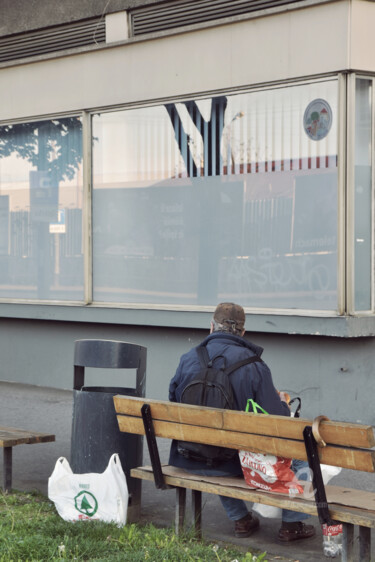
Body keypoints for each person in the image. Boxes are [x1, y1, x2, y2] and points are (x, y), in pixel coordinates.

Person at [168, 302, 315, 542]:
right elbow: (276, 420)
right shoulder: (254, 365)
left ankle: (241, 519)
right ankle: (291, 524)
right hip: (232, 462)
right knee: (299, 455)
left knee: (218, 443)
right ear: (243, 333)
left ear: (211, 327)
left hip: (188, 455)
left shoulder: (188, 359)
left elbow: (173, 400)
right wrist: (284, 405)